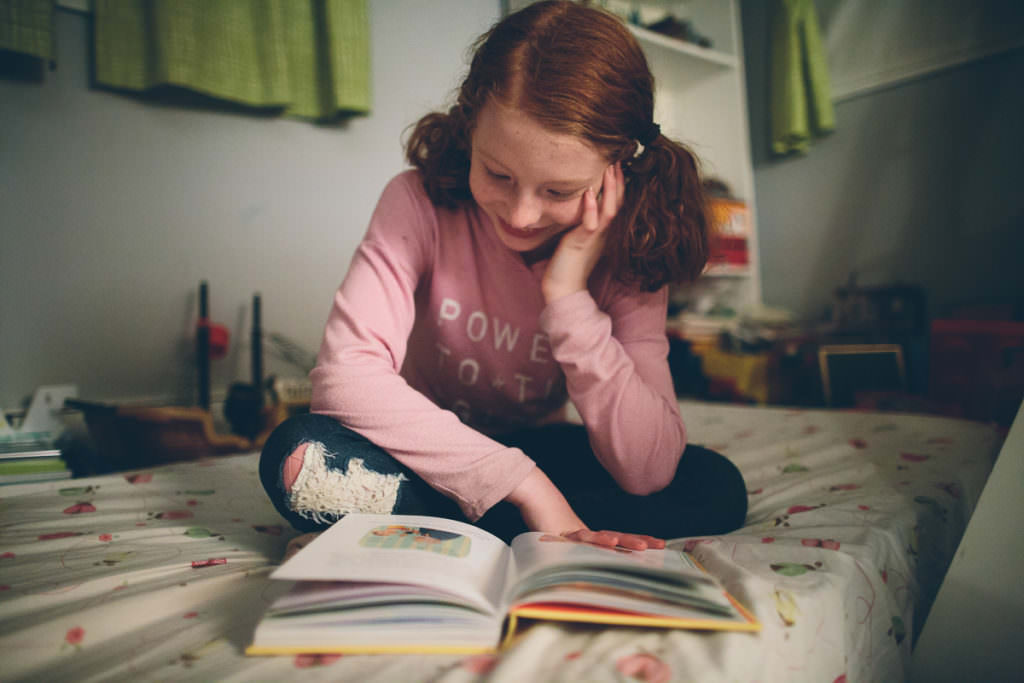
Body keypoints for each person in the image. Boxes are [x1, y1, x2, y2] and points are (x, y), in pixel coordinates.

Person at [259, 0, 748, 551]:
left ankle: (435, 520)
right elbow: (345, 379)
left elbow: (647, 470)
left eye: (559, 191)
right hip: (426, 445)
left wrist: (568, 295)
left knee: (714, 487)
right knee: (299, 455)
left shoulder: (632, 248)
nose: (520, 215)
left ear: (616, 170)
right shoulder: (416, 201)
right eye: (498, 174)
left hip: (540, 445)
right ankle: (537, 517)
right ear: (471, 127)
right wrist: (525, 485)